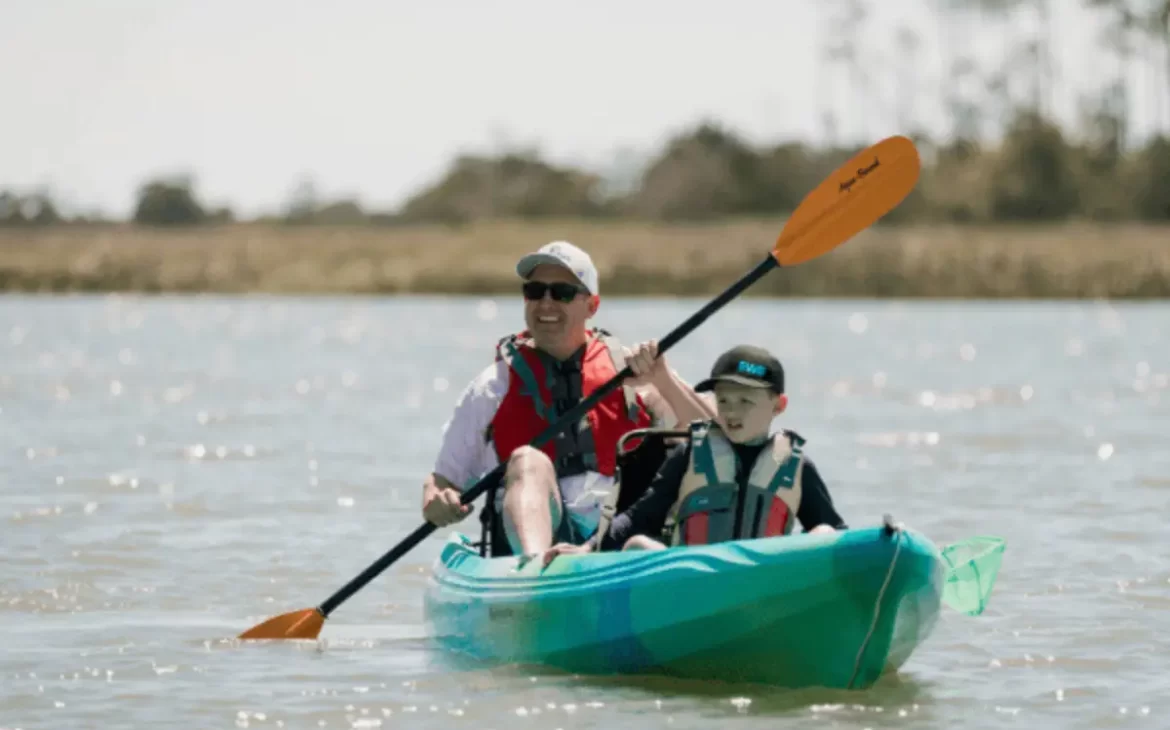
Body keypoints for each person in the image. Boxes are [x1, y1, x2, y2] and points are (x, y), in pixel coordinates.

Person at [421, 240, 716, 558]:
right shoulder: (492, 386)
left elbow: (716, 441)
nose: (546, 303)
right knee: (527, 459)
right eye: (535, 292)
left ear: (592, 305)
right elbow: (440, 483)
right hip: (538, 548)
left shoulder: (633, 374)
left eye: (561, 292)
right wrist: (438, 502)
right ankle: (536, 572)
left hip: (623, 538)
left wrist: (663, 378)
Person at [542, 344, 848, 566]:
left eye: (745, 401)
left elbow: (835, 532)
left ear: (779, 406)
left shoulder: (797, 467)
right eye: (724, 400)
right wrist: (587, 549)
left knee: (823, 533)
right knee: (637, 545)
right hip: (694, 583)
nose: (731, 411)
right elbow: (639, 517)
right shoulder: (689, 453)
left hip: (764, 585)